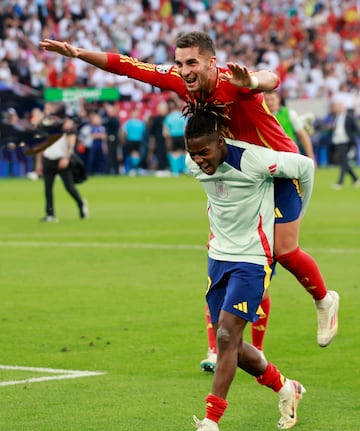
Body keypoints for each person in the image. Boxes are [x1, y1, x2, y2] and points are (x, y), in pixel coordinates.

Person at [39, 31, 339, 350]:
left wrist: (251, 80)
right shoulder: (179, 80)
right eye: (179, 63)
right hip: (238, 174)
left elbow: (271, 78)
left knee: (283, 250)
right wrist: (78, 53)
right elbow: (128, 66)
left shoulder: (232, 82)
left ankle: (323, 301)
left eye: (192, 62)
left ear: (212, 63)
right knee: (245, 259)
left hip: (277, 167)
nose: (184, 70)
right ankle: (235, 350)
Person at [184, 101, 314, 430]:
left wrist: (297, 216)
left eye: (204, 152)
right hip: (218, 259)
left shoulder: (253, 159)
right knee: (235, 347)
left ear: (221, 143)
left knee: (226, 336)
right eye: (193, 153)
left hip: (253, 260)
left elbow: (306, 168)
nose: (199, 160)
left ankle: (211, 420)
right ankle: (286, 387)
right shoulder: (193, 163)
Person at [34, 107, 88, 222]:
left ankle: (81, 203)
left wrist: (66, 157)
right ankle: (50, 214)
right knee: (48, 188)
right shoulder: (43, 128)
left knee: (69, 186)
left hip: (61, 159)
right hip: (48, 159)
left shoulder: (65, 126)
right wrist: (38, 163)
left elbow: (71, 142)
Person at [263, 89, 316, 163]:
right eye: (267, 100)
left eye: (272, 99)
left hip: (290, 156)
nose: (269, 103)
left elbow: (303, 136)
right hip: (270, 158)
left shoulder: (290, 114)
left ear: (278, 99)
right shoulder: (262, 116)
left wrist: (311, 157)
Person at [328, 99, 360, 189]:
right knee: (344, 161)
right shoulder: (336, 117)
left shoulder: (349, 117)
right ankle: (355, 179)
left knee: (343, 161)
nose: (337, 108)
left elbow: (356, 129)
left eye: (339, 106)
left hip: (347, 141)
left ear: (343, 107)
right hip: (338, 141)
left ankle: (340, 182)